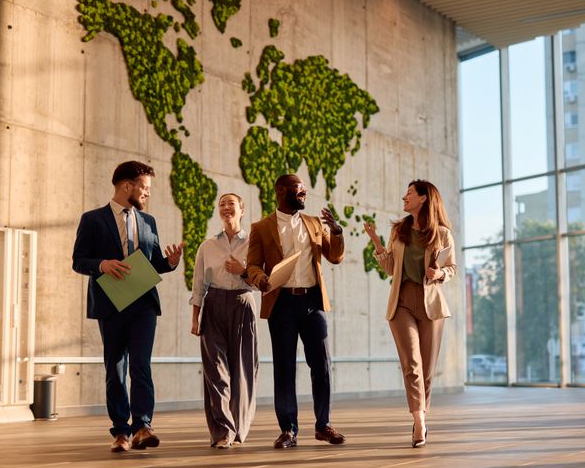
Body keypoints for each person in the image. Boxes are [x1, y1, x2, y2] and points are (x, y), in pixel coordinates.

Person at [72, 161, 183, 453]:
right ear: (126, 186)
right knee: (115, 368)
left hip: (144, 303)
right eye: (144, 188)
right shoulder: (92, 219)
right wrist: (102, 265)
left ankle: (143, 427)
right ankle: (120, 431)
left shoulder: (149, 222)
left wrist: (170, 263)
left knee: (141, 365)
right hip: (110, 303)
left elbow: (156, 262)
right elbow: (79, 260)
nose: (147, 194)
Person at [246, 174, 347, 449]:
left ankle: (323, 425)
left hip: (313, 303)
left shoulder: (314, 223)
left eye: (304, 190)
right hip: (282, 305)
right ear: (281, 191)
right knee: (285, 368)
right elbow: (252, 265)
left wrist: (336, 231)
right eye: (297, 190)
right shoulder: (261, 228)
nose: (303, 194)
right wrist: (261, 279)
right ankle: (288, 430)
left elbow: (335, 257)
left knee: (322, 366)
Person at [363, 179, 456, 447]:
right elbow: (391, 269)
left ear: (424, 199)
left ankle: (421, 417)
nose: (404, 198)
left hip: (431, 304)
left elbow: (452, 268)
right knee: (411, 366)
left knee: (426, 370)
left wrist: (439, 273)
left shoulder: (442, 233)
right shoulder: (399, 230)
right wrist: (377, 243)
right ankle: (420, 422)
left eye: (409, 194)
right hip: (401, 301)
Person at [190, 193, 258, 449]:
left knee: (241, 370)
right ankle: (222, 431)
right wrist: (195, 317)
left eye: (231, 203)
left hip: (243, 303)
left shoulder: (253, 244)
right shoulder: (207, 246)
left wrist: (243, 272)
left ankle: (237, 427)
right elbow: (199, 285)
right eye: (221, 204)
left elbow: (265, 283)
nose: (226, 207)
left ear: (242, 210)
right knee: (215, 371)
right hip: (214, 305)